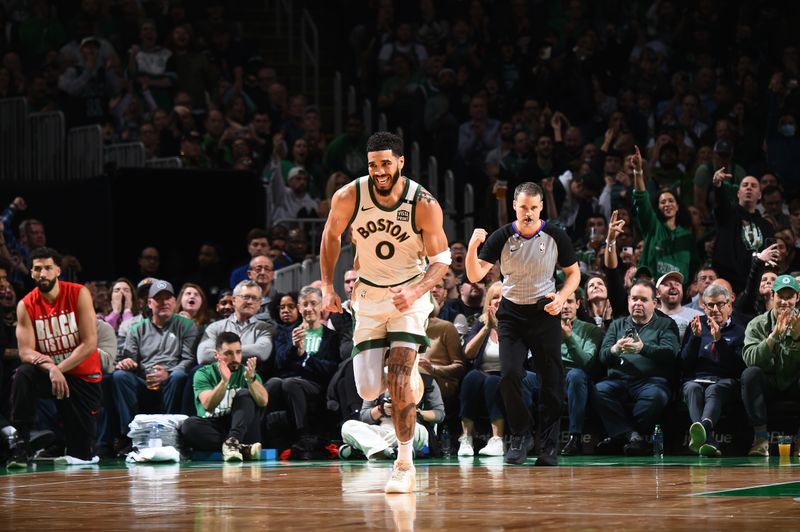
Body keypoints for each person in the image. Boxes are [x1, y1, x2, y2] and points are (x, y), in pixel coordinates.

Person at [320, 131, 451, 493]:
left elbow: (442, 260)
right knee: (367, 389)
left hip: (408, 296)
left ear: (400, 163)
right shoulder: (349, 196)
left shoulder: (423, 202)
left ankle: (404, 463)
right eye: (373, 164)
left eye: (386, 164)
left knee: (398, 377)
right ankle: (411, 379)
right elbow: (331, 236)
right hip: (369, 297)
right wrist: (328, 287)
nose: (379, 171)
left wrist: (417, 290)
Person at [466, 181, 581, 465]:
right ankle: (519, 436)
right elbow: (474, 275)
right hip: (512, 314)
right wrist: (472, 247)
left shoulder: (555, 236)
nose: (527, 213)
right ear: (514, 207)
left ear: (541, 207)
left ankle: (548, 444)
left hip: (545, 312)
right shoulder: (502, 236)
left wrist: (563, 297)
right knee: (509, 376)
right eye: (522, 207)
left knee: (552, 380)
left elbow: (573, 273)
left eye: (532, 207)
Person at [7, 248, 101, 467]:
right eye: (37, 269)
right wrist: (52, 368)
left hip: (82, 376)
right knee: (23, 374)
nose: (43, 274)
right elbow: (25, 352)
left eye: (48, 268)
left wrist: (60, 368)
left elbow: (89, 343)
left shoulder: (78, 293)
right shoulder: (26, 305)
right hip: (49, 376)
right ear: (31, 273)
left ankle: (76, 446)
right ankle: (21, 442)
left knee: (83, 455)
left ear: (58, 270)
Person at [593, 280, 680, 455]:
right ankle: (632, 436)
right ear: (628, 301)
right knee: (599, 391)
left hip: (651, 382)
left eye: (643, 299)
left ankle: (620, 436)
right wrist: (615, 349)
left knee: (656, 396)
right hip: (618, 381)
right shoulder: (618, 324)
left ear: (654, 303)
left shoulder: (666, 324)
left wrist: (643, 349)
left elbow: (671, 353)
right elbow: (603, 356)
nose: (638, 303)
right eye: (634, 299)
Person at [112, 280, 198, 454]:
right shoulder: (136, 328)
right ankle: (132, 438)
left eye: (168, 298)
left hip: (171, 379)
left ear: (174, 302)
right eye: (159, 299)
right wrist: (128, 363)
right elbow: (129, 358)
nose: (164, 302)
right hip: (144, 379)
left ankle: (170, 435)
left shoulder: (187, 325)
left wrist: (169, 373)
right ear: (150, 303)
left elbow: (189, 359)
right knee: (120, 376)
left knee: (179, 376)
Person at [680, 285, 746, 457]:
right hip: (697, 379)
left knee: (713, 390)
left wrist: (719, 340)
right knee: (691, 388)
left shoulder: (739, 331)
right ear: (703, 306)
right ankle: (707, 438)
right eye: (710, 305)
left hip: (724, 380)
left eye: (720, 304)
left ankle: (704, 430)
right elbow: (685, 364)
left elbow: (737, 367)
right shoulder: (696, 325)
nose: (715, 309)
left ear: (729, 305)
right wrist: (695, 338)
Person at [181, 332, 268, 461]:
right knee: (189, 426)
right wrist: (224, 382)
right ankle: (241, 448)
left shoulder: (248, 373)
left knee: (244, 394)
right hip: (216, 425)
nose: (235, 358)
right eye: (228, 353)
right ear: (217, 355)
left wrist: (251, 380)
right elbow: (208, 404)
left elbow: (263, 401)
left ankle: (234, 441)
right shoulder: (203, 373)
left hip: (242, 428)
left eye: (238, 352)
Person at [741, 275, 800, 457]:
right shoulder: (757, 324)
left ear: (797, 298)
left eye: (789, 297)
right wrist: (772, 338)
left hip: (794, 382)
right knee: (750, 374)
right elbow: (750, 359)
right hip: (769, 384)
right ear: (772, 295)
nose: (784, 302)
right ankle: (760, 438)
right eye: (780, 296)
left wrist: (798, 339)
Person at [340, 375, 444, 461]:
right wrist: (381, 410)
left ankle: (369, 449)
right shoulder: (377, 381)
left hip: (411, 428)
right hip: (383, 430)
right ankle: (390, 451)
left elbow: (439, 415)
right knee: (348, 426)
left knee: (417, 430)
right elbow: (363, 416)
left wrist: (416, 413)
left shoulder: (426, 380)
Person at [559, 290, 603, 456]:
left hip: (576, 378)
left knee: (575, 375)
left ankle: (574, 438)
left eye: (569, 301)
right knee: (523, 378)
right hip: (551, 378)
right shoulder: (546, 329)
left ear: (577, 304)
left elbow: (586, 363)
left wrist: (569, 338)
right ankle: (523, 436)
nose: (565, 306)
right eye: (561, 301)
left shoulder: (591, 330)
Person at [197, 280, 275, 365]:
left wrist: (224, 352)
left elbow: (261, 353)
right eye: (246, 297)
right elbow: (203, 355)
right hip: (218, 374)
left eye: (254, 298)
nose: (250, 302)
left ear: (260, 304)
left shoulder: (266, 328)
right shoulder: (215, 327)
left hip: (249, 375)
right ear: (234, 300)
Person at [656, 271, 702, 339]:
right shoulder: (650, 318)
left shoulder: (698, 316)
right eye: (667, 284)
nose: (673, 287)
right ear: (657, 293)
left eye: (677, 284)